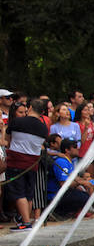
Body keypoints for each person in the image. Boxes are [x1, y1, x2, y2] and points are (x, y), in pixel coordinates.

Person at [6, 99, 49, 231]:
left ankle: (26, 222)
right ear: (42, 112)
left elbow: (8, 140)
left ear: (29, 108)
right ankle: (26, 220)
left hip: (16, 162)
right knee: (28, 193)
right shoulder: (43, 128)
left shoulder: (17, 122)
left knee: (19, 193)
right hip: (32, 164)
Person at [47, 138, 94, 218]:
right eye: (75, 147)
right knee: (83, 196)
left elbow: (75, 178)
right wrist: (81, 182)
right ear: (67, 150)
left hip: (64, 192)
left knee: (90, 184)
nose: (78, 149)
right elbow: (63, 184)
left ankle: (82, 210)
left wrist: (85, 180)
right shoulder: (61, 161)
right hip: (55, 194)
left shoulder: (69, 161)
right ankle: (61, 212)